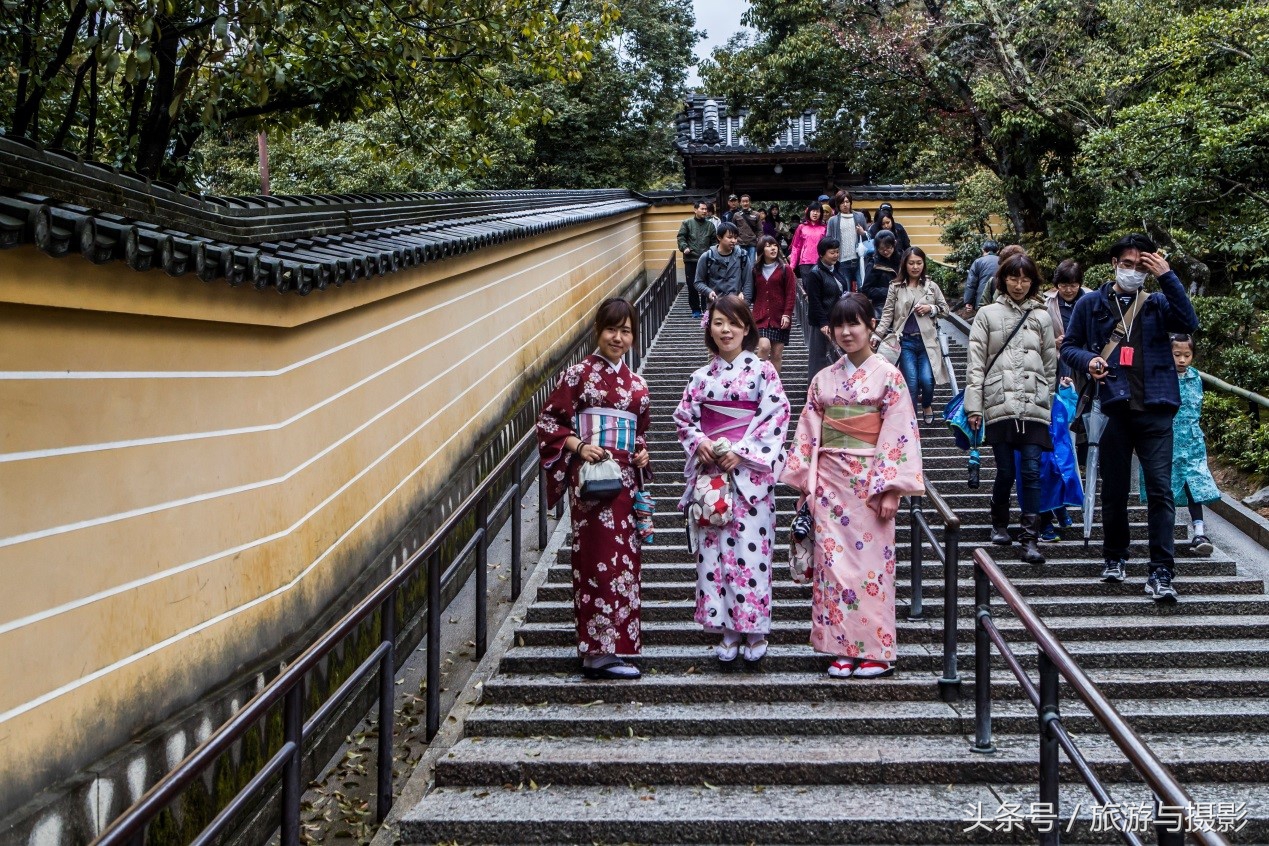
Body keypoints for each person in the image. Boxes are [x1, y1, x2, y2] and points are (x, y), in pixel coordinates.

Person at [781, 293, 925, 679]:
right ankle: (839, 648)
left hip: (870, 485)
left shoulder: (890, 376)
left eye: (855, 323)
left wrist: (891, 487)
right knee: (833, 569)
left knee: (872, 569)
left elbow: (899, 433)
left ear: (871, 324)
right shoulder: (823, 380)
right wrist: (805, 486)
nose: (846, 332)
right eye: (839, 325)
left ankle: (876, 651)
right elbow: (808, 434)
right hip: (828, 484)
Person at [1060, 233, 1200, 600]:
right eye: (1128, 263)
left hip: (1156, 407)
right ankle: (1115, 556)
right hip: (1111, 407)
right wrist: (1088, 361)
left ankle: (1161, 570)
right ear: (1113, 264)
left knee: (1160, 490)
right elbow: (1069, 348)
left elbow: (1189, 320)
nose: (1134, 270)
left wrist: (1167, 275)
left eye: (1141, 265)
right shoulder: (1090, 304)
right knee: (1116, 489)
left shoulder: (1156, 303)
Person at [536, 299, 652, 679]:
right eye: (611, 329)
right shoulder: (577, 375)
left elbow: (640, 434)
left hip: (624, 483)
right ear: (597, 331)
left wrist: (641, 455)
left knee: (625, 563)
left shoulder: (638, 384)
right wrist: (580, 447)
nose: (618, 338)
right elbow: (550, 423)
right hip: (592, 480)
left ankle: (615, 646)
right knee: (596, 559)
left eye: (626, 331)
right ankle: (596, 652)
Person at [674, 296, 790, 663]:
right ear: (709, 327)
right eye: (719, 322)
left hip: (750, 479)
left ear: (747, 328)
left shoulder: (763, 371)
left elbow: (777, 415)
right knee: (715, 557)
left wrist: (742, 451)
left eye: (734, 323)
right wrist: (701, 442)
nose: (726, 330)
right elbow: (684, 419)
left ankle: (755, 630)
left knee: (751, 557)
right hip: (712, 481)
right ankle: (725, 630)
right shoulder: (699, 378)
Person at [964, 254, 1058, 565]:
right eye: (1013, 278)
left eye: (1025, 279)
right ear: (1003, 279)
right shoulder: (987, 314)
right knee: (1006, 470)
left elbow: (1049, 364)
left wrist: (1049, 399)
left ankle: (1029, 538)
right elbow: (976, 363)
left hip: (1033, 403)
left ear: (1033, 282)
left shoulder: (1042, 317)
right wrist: (973, 406)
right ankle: (999, 522)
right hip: (998, 401)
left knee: (1031, 471)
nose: (1019, 285)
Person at [1145, 334, 1218, 557]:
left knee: (1194, 483)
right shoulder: (1161, 376)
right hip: (1166, 438)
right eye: (1177, 355)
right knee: (1164, 485)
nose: (1182, 360)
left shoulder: (1195, 377)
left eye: (1187, 355)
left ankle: (1199, 531)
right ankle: (1164, 533)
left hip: (1193, 440)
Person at [1038, 258, 1094, 541]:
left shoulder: (1093, 299)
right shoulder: (1046, 305)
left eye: (1072, 285)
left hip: (1088, 367)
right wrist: (1054, 344)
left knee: (1068, 444)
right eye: (1063, 285)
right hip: (1057, 371)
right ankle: (1053, 511)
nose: (1068, 290)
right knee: (1054, 449)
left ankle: (1061, 508)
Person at [872, 246, 950, 423]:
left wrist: (931, 308)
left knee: (927, 381)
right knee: (912, 383)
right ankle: (911, 422)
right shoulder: (896, 286)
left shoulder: (931, 286)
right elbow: (887, 313)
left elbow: (945, 310)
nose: (915, 267)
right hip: (905, 341)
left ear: (924, 264)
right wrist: (877, 335)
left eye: (919, 263)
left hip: (927, 342)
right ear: (904, 264)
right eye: (911, 263)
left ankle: (927, 404)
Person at [802, 236, 856, 374]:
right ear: (821, 254)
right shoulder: (815, 274)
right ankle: (814, 391)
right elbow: (814, 301)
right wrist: (823, 323)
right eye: (832, 252)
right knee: (819, 358)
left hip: (838, 320)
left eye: (837, 252)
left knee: (839, 356)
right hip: (822, 323)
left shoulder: (837, 269)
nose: (836, 255)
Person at [751, 235, 797, 373]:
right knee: (764, 347)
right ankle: (757, 379)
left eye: (775, 245)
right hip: (760, 316)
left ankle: (774, 387)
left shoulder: (785, 269)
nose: (773, 248)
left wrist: (787, 314)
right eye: (768, 246)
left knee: (777, 354)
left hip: (779, 317)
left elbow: (790, 293)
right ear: (761, 250)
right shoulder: (755, 270)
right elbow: (752, 292)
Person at [694, 222, 753, 305]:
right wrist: (708, 292)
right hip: (716, 306)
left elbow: (748, 282)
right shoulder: (707, 257)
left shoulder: (742, 256)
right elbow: (698, 282)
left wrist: (745, 302)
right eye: (729, 237)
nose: (733, 241)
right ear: (719, 237)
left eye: (735, 238)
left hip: (736, 306)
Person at [677, 200, 718, 319]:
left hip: (706, 260)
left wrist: (712, 252)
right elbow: (681, 237)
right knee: (692, 285)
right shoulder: (687, 223)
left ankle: (706, 309)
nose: (705, 211)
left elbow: (714, 241)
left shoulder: (710, 225)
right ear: (695, 210)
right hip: (691, 259)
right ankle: (695, 309)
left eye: (706, 209)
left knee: (706, 284)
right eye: (702, 209)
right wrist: (684, 247)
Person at [826, 190, 869, 285]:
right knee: (846, 292)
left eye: (847, 202)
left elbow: (869, 238)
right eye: (842, 202)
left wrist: (862, 233)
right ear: (838, 204)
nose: (845, 205)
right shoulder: (833, 221)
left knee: (862, 288)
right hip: (841, 261)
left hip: (859, 260)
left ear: (850, 202)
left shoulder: (859, 216)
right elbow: (828, 241)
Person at [861, 230, 900, 318]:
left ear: (894, 244)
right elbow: (866, 290)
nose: (885, 252)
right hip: (882, 307)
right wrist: (888, 291)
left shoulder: (902, 260)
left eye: (888, 248)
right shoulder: (874, 265)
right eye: (881, 249)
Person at [788, 202, 827, 283]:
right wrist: (792, 265)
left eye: (818, 211)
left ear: (821, 214)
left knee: (819, 288)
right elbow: (796, 247)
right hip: (805, 263)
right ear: (808, 212)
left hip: (820, 262)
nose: (815, 213)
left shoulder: (824, 228)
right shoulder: (801, 227)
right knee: (807, 287)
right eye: (813, 211)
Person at [963, 240, 1000, 317]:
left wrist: (969, 301)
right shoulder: (1003, 262)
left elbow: (971, 283)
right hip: (1000, 298)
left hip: (982, 300)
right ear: (997, 251)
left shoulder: (978, 262)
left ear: (983, 250)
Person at [732, 194, 763, 265]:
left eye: (747, 201)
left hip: (752, 243)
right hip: (740, 243)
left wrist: (760, 242)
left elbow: (760, 230)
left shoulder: (756, 215)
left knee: (751, 265)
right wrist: (735, 240)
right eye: (743, 201)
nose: (745, 203)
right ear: (740, 203)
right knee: (739, 264)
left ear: (750, 202)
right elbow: (733, 229)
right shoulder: (736, 215)